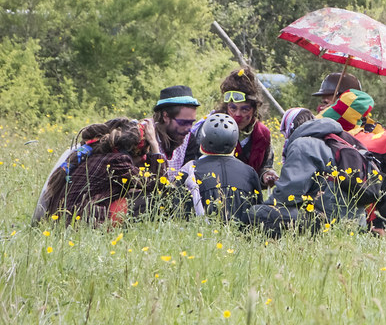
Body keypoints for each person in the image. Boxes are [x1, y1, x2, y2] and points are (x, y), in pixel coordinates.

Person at [246, 108, 365, 237]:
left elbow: (289, 193)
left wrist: (266, 205)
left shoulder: (303, 144)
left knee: (257, 213)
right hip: (356, 222)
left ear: (290, 127)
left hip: (329, 221)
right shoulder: (335, 138)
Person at [36, 118, 165, 225]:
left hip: (61, 220)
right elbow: (157, 185)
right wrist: (155, 146)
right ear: (136, 151)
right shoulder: (118, 161)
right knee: (151, 200)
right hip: (78, 223)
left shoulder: (95, 155)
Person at [184, 67, 278, 187]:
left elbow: (265, 167)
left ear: (255, 109)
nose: (238, 114)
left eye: (245, 109)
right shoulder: (210, 128)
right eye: (233, 108)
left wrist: (266, 175)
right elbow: (193, 166)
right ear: (226, 106)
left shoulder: (262, 134)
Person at [180, 113, 262, 223]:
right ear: (235, 143)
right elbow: (258, 214)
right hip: (239, 233)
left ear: (202, 140)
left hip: (200, 232)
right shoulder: (250, 173)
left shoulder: (189, 171)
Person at [151, 85, 201, 180]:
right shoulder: (146, 138)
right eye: (183, 122)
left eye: (191, 123)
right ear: (165, 116)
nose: (188, 129)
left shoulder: (189, 140)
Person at [314, 72, 383, 134]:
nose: (323, 108)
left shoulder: (371, 131)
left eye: (326, 103)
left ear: (347, 99)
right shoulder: (322, 126)